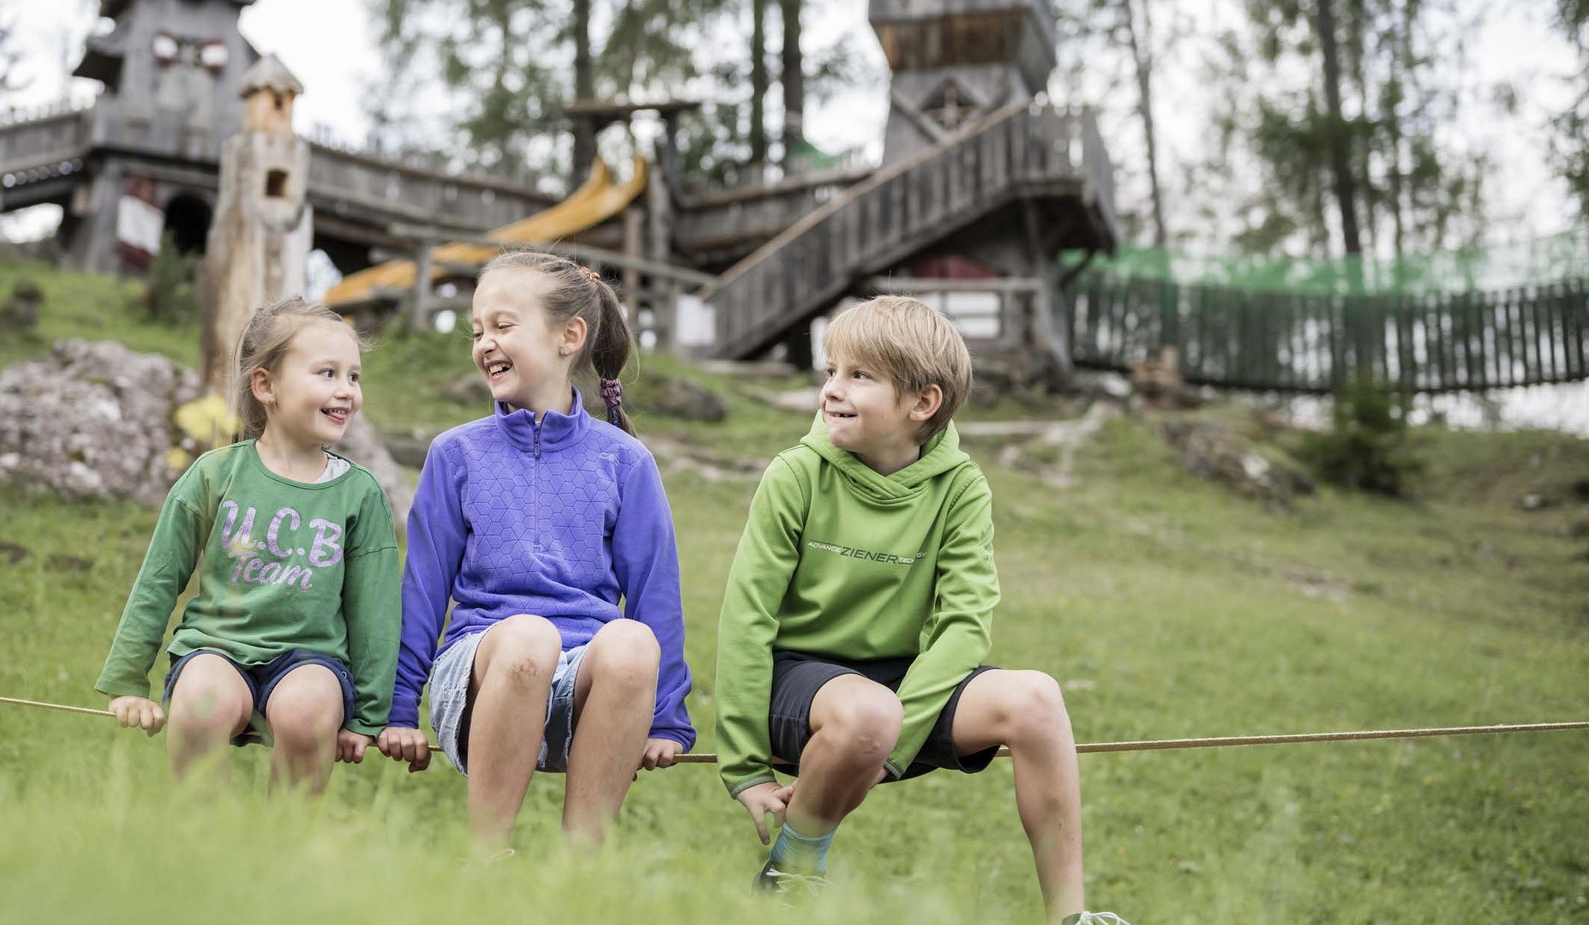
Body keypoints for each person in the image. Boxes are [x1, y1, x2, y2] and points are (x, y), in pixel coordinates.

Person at [714, 296, 1127, 924]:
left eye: (858, 375)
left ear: (922, 403)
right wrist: (745, 770)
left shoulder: (961, 488)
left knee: (1037, 698)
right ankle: (791, 872)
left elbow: (965, 624)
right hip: (800, 687)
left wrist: (893, 745)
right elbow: (747, 617)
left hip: (902, 695)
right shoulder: (795, 475)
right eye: (830, 372)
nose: (831, 390)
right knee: (867, 710)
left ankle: (1069, 917)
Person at [378, 251, 694, 852]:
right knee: (528, 638)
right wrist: (397, 710)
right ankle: (487, 858)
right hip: (479, 672)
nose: (484, 344)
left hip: (582, 684)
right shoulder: (455, 455)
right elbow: (422, 590)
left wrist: (668, 720)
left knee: (630, 641)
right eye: (477, 331)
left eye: (502, 326)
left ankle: (578, 869)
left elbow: (656, 593)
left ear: (568, 337)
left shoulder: (624, 462)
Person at [96, 297, 400, 793]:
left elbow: (376, 612)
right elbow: (159, 579)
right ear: (266, 385)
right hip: (215, 649)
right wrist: (128, 682)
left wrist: (367, 716)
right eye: (327, 373)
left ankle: (284, 853)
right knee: (199, 707)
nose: (346, 391)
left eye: (353, 376)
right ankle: (203, 847)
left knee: (305, 715)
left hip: (311, 659)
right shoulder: (214, 475)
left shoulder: (360, 494)